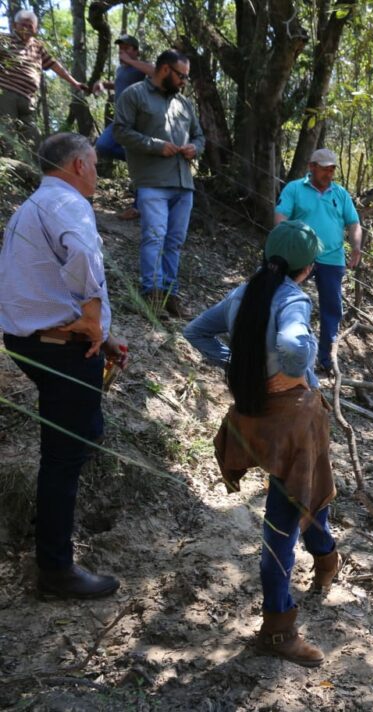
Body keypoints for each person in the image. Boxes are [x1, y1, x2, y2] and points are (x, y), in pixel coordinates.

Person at [183, 221, 339, 668]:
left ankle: (326, 556)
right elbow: (294, 347)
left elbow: (195, 331)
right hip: (292, 423)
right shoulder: (292, 298)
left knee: (305, 493)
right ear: (307, 268)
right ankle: (277, 629)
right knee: (280, 526)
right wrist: (291, 366)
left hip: (253, 419)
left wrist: (240, 366)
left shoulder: (243, 294)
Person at [0, 132, 128, 599]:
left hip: (34, 340)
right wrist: (92, 318)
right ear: (77, 165)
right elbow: (83, 254)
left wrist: (102, 332)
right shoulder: (68, 204)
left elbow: (45, 282)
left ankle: (52, 521)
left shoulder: (31, 208)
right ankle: (55, 568)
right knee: (63, 454)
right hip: (58, 347)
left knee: (83, 431)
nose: (97, 172)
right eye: (94, 164)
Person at [113, 49, 204, 319]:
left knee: (175, 241)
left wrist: (194, 148)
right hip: (152, 182)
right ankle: (151, 295)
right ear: (164, 69)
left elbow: (200, 136)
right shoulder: (135, 94)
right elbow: (120, 131)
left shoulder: (184, 104)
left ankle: (170, 296)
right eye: (181, 75)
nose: (184, 81)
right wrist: (155, 146)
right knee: (154, 236)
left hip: (183, 183)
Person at [274, 148, 362, 372]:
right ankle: (275, 347)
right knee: (281, 295)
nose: (328, 174)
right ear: (312, 167)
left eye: (332, 169)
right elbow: (281, 215)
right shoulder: (294, 188)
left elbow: (353, 222)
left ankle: (326, 358)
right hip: (299, 256)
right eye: (324, 169)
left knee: (332, 308)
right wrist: (282, 242)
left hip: (332, 259)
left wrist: (356, 248)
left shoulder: (340, 193)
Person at [0, 11, 90, 156]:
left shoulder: (38, 47)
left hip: (28, 98)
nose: (26, 29)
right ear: (14, 26)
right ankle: (6, 168)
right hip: (6, 93)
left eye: (30, 26)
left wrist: (74, 82)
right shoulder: (4, 40)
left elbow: (55, 66)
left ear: (35, 29)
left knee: (32, 136)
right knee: (7, 132)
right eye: (23, 25)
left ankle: (33, 171)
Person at [93, 35, 152, 220]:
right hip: (120, 120)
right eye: (120, 49)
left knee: (138, 165)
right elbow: (119, 84)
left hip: (136, 121)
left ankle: (137, 207)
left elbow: (156, 71)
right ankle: (143, 160)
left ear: (136, 51)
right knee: (103, 146)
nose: (122, 52)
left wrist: (131, 61)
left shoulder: (140, 67)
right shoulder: (121, 70)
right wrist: (103, 84)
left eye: (127, 49)